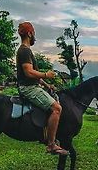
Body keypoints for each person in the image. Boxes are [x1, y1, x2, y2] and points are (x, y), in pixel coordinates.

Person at [16, 21, 69, 155]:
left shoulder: (26, 51)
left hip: (32, 85)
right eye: (33, 33)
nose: (34, 36)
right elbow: (28, 72)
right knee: (57, 108)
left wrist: (47, 85)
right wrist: (47, 74)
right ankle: (51, 144)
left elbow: (33, 76)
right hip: (28, 89)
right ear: (29, 33)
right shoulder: (24, 51)